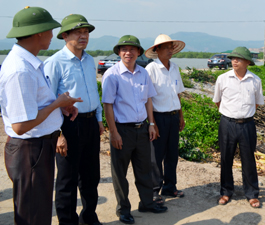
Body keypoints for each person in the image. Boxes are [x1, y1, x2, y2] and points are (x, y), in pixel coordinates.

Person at [0, 6, 81, 225]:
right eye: (50, 30)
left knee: (39, 211)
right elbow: (20, 125)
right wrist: (57, 103)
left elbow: (33, 106)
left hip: (37, 149)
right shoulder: (20, 70)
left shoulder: (29, 63)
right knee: (33, 216)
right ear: (39, 33)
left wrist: (59, 107)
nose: (52, 36)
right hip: (30, 151)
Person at [44, 14, 103, 225]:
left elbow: (93, 93)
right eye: (78, 32)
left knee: (91, 176)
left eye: (86, 32)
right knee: (67, 179)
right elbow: (49, 102)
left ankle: (89, 217)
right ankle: (67, 221)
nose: (83, 36)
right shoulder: (54, 63)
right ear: (64, 35)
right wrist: (58, 134)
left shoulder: (89, 60)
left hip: (89, 123)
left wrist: (98, 119)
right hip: (68, 125)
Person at [102, 35, 167, 224]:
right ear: (119, 53)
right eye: (124, 49)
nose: (128, 53)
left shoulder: (143, 73)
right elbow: (108, 106)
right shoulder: (112, 74)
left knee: (144, 169)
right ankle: (123, 209)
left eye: (132, 49)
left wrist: (152, 124)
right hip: (122, 130)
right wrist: (113, 132)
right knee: (120, 172)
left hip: (142, 129)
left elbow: (148, 99)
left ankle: (147, 203)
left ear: (138, 52)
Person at [212, 46, 264, 208]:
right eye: (233, 58)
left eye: (238, 58)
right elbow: (217, 101)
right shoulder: (222, 79)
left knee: (248, 160)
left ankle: (252, 194)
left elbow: (257, 103)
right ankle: (226, 192)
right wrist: (230, 114)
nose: (234, 61)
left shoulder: (255, 80)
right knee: (226, 158)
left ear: (247, 62)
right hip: (227, 123)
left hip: (247, 124)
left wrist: (243, 114)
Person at [144, 34, 186, 199]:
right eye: (166, 47)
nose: (170, 50)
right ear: (157, 50)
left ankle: (170, 187)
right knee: (156, 156)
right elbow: (147, 98)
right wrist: (152, 123)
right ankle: (154, 190)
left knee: (172, 154)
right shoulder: (151, 69)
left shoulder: (174, 68)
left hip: (174, 116)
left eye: (171, 47)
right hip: (158, 117)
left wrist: (181, 116)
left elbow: (178, 94)